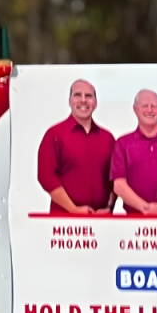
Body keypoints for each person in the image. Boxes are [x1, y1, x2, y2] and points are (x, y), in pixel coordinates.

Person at [36, 79, 116, 214]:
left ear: (95, 103)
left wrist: (109, 208)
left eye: (88, 96)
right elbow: (46, 177)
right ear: (69, 102)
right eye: (77, 95)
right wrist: (73, 210)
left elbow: (115, 179)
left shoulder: (108, 139)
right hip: (64, 221)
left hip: (101, 220)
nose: (83, 100)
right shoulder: (54, 134)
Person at [110, 89, 157, 214]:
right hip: (133, 220)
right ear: (135, 109)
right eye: (144, 106)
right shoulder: (122, 144)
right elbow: (119, 186)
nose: (150, 110)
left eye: (154, 106)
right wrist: (146, 208)